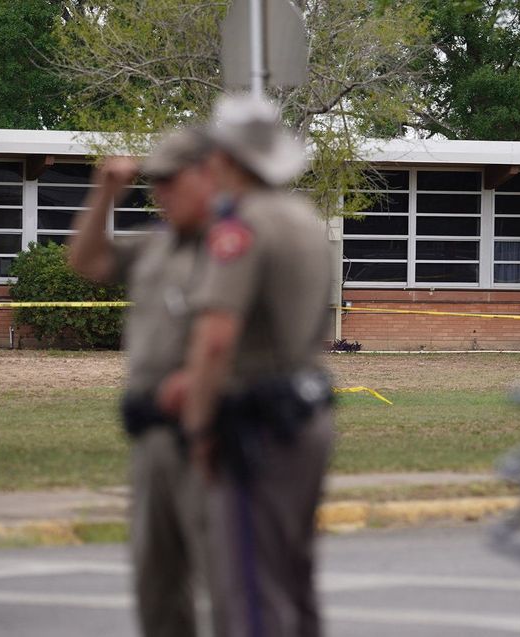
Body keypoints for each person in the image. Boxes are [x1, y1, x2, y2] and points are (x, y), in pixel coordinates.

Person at [176, 95, 336, 637]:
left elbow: (216, 338)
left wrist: (199, 428)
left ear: (224, 157)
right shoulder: (308, 221)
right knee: (295, 575)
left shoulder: (240, 228)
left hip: (257, 422)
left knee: (249, 587)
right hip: (307, 411)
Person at [67, 129, 216, 637]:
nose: (161, 193)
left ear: (208, 175)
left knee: (224, 580)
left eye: (171, 181)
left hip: (210, 436)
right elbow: (86, 261)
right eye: (155, 183)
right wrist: (104, 193)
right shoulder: (156, 246)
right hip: (152, 435)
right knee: (157, 580)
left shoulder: (235, 246)